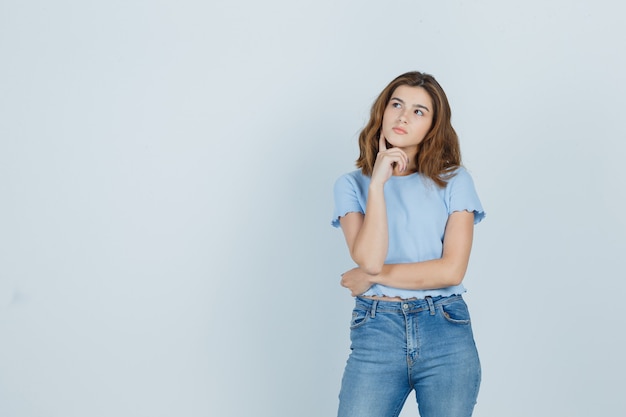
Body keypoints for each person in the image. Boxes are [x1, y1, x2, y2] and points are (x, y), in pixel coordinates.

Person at [331, 71, 485, 417]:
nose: (402, 116)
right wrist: (378, 185)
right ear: (382, 112)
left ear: (433, 126)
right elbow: (368, 259)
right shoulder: (351, 185)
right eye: (396, 104)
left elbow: (451, 270)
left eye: (419, 111)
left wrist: (371, 277)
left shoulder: (455, 180)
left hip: (445, 328)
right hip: (376, 330)